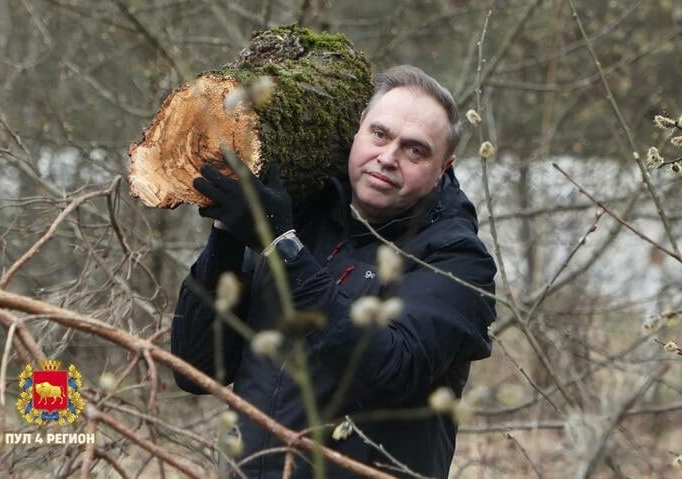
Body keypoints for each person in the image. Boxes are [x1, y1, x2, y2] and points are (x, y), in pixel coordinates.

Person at [171, 65, 497, 478]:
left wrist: (282, 246)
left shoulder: (456, 261)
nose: (388, 158)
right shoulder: (305, 210)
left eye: (415, 150)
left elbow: (389, 370)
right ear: (358, 129)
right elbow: (198, 370)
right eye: (380, 134)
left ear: (444, 167)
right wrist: (229, 232)